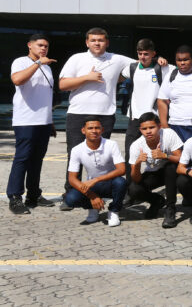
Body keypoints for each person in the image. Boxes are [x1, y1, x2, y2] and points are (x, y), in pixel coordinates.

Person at [58, 27, 137, 208]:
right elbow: (63, 84)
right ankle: (71, 192)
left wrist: (163, 63)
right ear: (87, 42)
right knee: (74, 154)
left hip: (105, 114)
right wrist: (87, 78)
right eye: (93, 40)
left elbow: (143, 64)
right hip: (78, 113)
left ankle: (99, 191)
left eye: (101, 40)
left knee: (102, 157)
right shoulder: (77, 59)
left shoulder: (116, 59)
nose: (97, 43)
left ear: (107, 42)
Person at [8, 33, 56, 214]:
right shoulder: (21, 62)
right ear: (30, 45)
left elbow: (45, 96)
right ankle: (14, 197)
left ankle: (34, 194)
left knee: (37, 160)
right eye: (40, 45)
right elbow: (17, 80)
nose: (43, 48)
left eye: (46, 46)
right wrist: (37, 64)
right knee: (22, 158)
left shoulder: (48, 67)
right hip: (25, 120)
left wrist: (50, 121)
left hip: (43, 121)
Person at [120, 39, 172, 176]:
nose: (142, 57)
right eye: (140, 53)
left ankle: (162, 183)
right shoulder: (131, 68)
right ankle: (130, 190)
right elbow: (116, 75)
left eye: (146, 54)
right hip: (135, 119)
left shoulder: (162, 68)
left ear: (153, 54)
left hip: (154, 119)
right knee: (130, 155)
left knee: (161, 154)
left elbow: (185, 69)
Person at [63, 117, 126, 226]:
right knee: (70, 199)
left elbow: (122, 169)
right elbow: (72, 179)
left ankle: (114, 211)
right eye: (90, 128)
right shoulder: (77, 149)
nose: (94, 131)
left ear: (102, 130)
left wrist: (96, 179)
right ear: (83, 130)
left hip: (110, 183)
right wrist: (92, 196)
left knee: (121, 182)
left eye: (97, 128)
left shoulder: (111, 144)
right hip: (92, 186)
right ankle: (92, 208)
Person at [127, 112, 183, 228]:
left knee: (170, 167)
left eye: (152, 127)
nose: (148, 131)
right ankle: (157, 201)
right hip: (154, 173)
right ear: (140, 130)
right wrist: (137, 163)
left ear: (159, 126)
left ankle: (170, 208)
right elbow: (135, 178)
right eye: (144, 129)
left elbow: (182, 159)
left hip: (172, 172)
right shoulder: (136, 145)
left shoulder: (168, 134)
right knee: (133, 189)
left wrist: (165, 156)